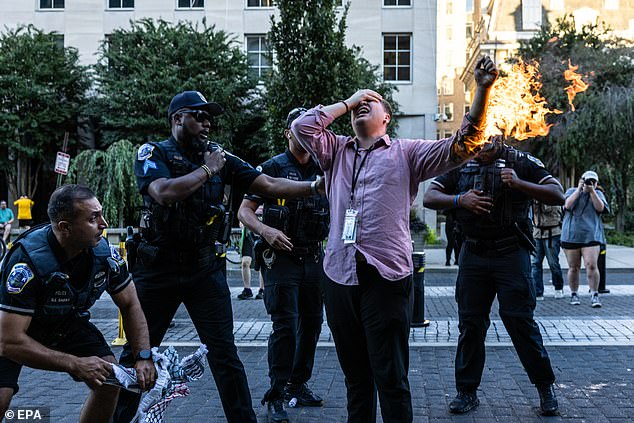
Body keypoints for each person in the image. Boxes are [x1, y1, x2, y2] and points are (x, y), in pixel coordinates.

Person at [290, 56, 499, 423]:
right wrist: (349, 101)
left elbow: (464, 144)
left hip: (386, 279)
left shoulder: (407, 153)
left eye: (372, 104)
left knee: (390, 378)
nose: (363, 105)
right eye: (360, 103)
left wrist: (482, 89)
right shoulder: (335, 150)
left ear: (386, 119)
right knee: (356, 380)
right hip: (339, 277)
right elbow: (302, 126)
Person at [114, 91, 324, 423]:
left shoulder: (219, 155)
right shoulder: (153, 152)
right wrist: (209, 171)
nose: (208, 123)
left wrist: (314, 187)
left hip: (203, 271)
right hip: (158, 270)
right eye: (200, 116)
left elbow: (267, 183)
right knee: (136, 355)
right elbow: (164, 193)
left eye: (210, 117)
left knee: (224, 354)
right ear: (178, 119)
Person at [423, 138, 564, 416]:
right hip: (473, 253)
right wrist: (460, 200)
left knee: (520, 322)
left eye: (490, 138)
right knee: (471, 325)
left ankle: (545, 387)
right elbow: (429, 196)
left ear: (500, 136)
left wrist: (519, 183)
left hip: (511, 253)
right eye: (480, 139)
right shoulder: (462, 162)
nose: (483, 144)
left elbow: (557, 194)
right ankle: (466, 392)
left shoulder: (519, 162)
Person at [0, 185, 156, 423]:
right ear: (66, 228)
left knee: (109, 378)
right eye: (93, 218)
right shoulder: (27, 262)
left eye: (101, 214)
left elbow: (131, 304)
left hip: (64, 321)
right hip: (13, 329)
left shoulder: (105, 255)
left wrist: (143, 355)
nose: (103, 223)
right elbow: (8, 341)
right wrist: (74, 364)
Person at [238, 107, 330, 423]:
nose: (306, 138)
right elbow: (245, 211)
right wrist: (266, 230)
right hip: (282, 260)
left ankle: (298, 383)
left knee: (313, 325)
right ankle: (276, 395)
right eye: (299, 131)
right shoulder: (273, 168)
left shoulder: (325, 166)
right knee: (285, 328)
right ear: (288, 133)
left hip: (314, 258)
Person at [561, 170, 609, 308]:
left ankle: (594, 294)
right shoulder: (571, 191)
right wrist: (579, 189)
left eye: (593, 181)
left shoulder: (598, 193)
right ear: (581, 180)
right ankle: (574, 294)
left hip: (591, 235)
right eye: (588, 180)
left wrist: (592, 191)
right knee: (573, 267)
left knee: (592, 265)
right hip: (571, 235)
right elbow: (567, 205)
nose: (590, 183)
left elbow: (600, 208)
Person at [531, 200, 565, 299]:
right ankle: (538, 291)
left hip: (552, 232)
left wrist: (539, 199)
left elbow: (547, 209)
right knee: (535, 263)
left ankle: (558, 287)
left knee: (553, 262)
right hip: (537, 232)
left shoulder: (551, 193)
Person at [237, 224, 264, 300]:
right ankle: (247, 290)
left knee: (263, 262)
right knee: (245, 262)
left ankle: (262, 290)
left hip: (262, 231)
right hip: (248, 232)